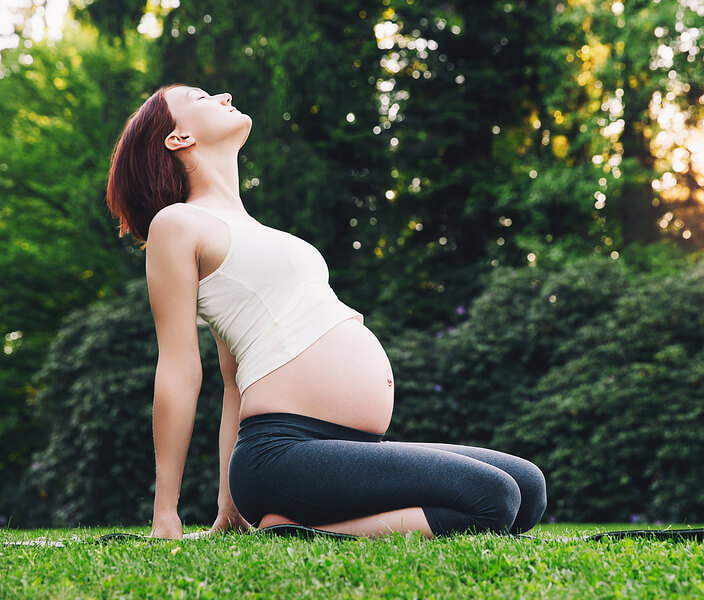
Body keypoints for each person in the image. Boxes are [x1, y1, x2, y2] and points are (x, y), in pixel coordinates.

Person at [106, 84, 547, 541]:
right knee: (495, 499)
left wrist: (229, 513)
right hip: (284, 453)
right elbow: (179, 369)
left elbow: (234, 379)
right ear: (179, 139)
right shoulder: (178, 224)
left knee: (528, 488)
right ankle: (300, 529)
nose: (223, 95)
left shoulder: (260, 232)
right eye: (199, 98)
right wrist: (165, 515)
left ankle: (293, 522)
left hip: (344, 452)